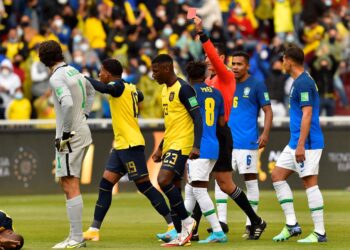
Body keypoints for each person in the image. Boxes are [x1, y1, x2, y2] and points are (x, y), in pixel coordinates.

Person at [192, 15, 266, 240]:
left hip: (221, 134)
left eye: (209, 57)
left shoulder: (225, 76)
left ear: (219, 58)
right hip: (210, 133)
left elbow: (213, 55)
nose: (206, 60)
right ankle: (193, 229)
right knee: (203, 181)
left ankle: (254, 220)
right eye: (205, 57)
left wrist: (202, 35)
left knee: (219, 183)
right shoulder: (209, 82)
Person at [82, 59, 173, 242]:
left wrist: (82, 78)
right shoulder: (129, 87)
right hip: (122, 145)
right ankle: (94, 229)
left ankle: (173, 225)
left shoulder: (117, 86)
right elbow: (140, 96)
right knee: (105, 184)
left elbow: (107, 88)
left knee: (145, 186)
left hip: (130, 145)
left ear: (108, 73)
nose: (100, 75)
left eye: (101, 71)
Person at [38, 40, 95, 249]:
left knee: (70, 182)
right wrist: (85, 114)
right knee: (68, 181)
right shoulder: (74, 71)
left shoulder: (56, 77)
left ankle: (76, 238)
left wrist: (66, 132)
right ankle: (74, 236)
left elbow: (68, 102)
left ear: (43, 59)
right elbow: (91, 91)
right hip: (82, 132)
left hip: (70, 136)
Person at [271, 46, 327, 243]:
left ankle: (320, 232)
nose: (281, 62)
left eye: (283, 59)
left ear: (289, 60)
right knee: (277, 175)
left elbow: (307, 113)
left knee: (309, 183)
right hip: (296, 141)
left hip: (307, 143)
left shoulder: (303, 83)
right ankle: (292, 224)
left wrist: (301, 144)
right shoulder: (299, 81)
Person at [151, 54, 202, 247]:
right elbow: (173, 123)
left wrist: (196, 145)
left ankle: (188, 222)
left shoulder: (184, 89)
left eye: (155, 71)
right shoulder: (165, 90)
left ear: (167, 69)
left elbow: (197, 117)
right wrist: (160, 147)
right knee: (174, 186)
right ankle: (182, 234)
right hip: (171, 143)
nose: (153, 75)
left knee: (162, 180)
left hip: (182, 144)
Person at [229, 51, 273, 237]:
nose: (235, 67)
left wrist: (265, 133)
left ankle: (251, 224)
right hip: (227, 143)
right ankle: (221, 223)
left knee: (250, 182)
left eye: (239, 64)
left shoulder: (256, 84)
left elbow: (268, 111)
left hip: (247, 142)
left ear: (247, 66)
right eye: (233, 63)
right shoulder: (227, 83)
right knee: (222, 182)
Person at [183, 61, 228, 244]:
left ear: (188, 76)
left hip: (198, 147)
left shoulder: (189, 92)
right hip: (213, 145)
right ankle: (181, 229)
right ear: (205, 76)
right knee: (190, 189)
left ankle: (217, 231)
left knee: (199, 191)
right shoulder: (217, 93)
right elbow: (222, 123)